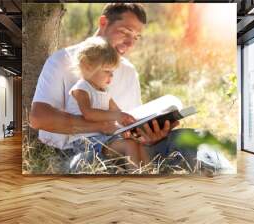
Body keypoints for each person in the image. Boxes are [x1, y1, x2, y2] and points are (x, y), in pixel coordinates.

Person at [30, 3, 179, 162]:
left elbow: (130, 126)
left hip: (121, 147)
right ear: (103, 22)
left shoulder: (129, 72)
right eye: (125, 32)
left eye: (136, 37)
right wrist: (100, 127)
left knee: (190, 139)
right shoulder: (62, 60)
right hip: (74, 153)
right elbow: (38, 118)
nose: (130, 44)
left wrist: (149, 137)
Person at [66, 36, 149, 168]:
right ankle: (137, 177)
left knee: (136, 142)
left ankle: (145, 173)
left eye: (112, 71)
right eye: (107, 71)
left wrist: (128, 123)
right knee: (129, 145)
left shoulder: (104, 91)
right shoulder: (81, 89)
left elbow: (118, 112)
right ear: (87, 66)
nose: (111, 76)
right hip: (86, 142)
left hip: (104, 137)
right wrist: (117, 116)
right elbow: (88, 114)